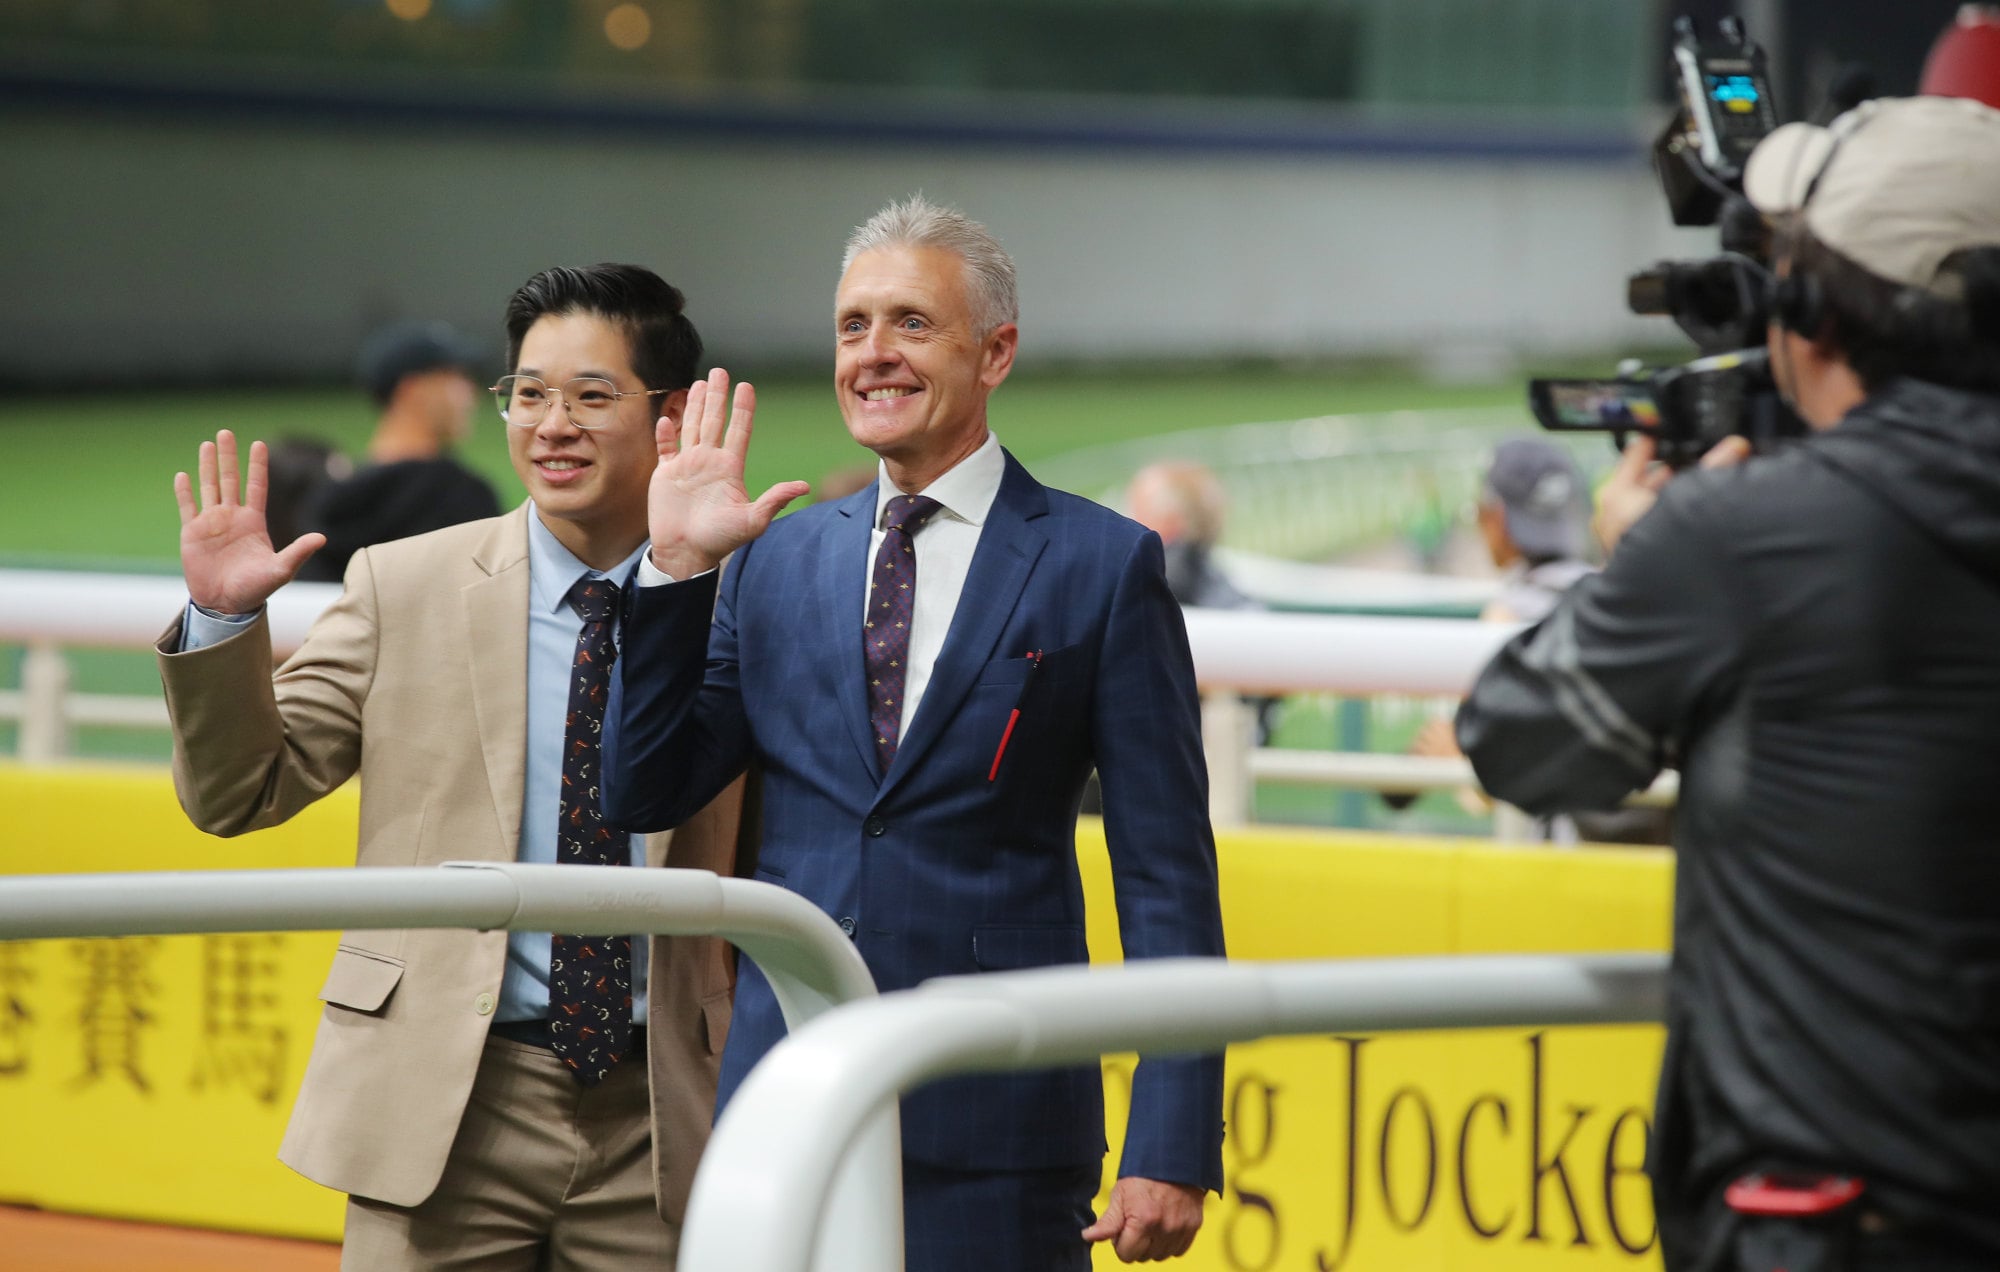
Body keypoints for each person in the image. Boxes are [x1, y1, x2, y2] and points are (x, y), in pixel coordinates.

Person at [601, 196, 1226, 1270]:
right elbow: (641, 788)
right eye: (852, 326)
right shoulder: (771, 559)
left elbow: (1163, 873)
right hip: (788, 1105)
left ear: (995, 352)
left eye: (909, 324)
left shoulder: (1101, 564)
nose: (873, 355)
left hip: (996, 1124)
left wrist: (1169, 1141)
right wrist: (671, 574)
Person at [1457, 96, 2000, 1270]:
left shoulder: (1746, 540)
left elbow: (1516, 741)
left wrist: (1635, 557)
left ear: (1811, 312)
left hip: (1824, 1223)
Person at [157, 264, 747, 1271]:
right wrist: (224, 620)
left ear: (673, 416)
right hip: (446, 1098)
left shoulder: (745, 598)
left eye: (590, 395)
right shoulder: (404, 582)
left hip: (666, 1107)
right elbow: (237, 793)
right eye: (528, 393)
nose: (550, 424)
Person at [297, 319, 502, 582]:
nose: (470, 393)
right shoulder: (462, 495)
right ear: (412, 390)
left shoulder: (331, 501)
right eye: (455, 377)